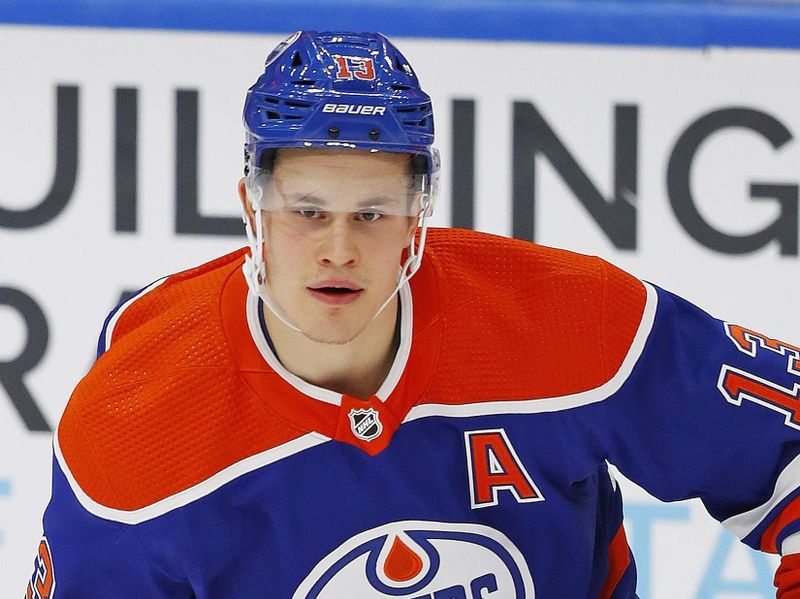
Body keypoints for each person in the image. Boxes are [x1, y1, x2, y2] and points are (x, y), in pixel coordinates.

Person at [25, 30, 800, 598]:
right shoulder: (134, 434)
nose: (337, 249)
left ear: (416, 221)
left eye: (372, 213)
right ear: (252, 212)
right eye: (307, 212)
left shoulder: (571, 323)